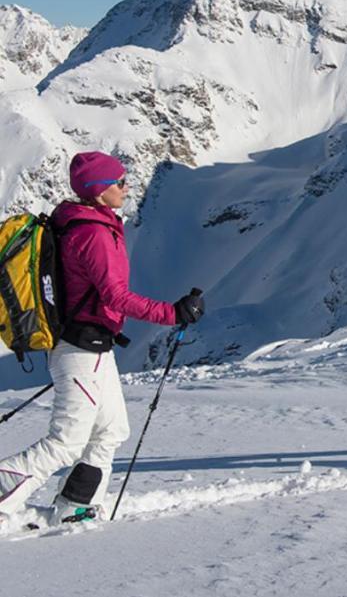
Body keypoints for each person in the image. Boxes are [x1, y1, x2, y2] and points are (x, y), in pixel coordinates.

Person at [0, 152, 204, 525]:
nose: (127, 187)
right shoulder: (91, 232)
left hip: (94, 348)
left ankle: (75, 506)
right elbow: (115, 296)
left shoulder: (88, 224)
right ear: (98, 190)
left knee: (112, 430)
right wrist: (172, 313)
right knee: (66, 441)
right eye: (119, 182)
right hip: (79, 350)